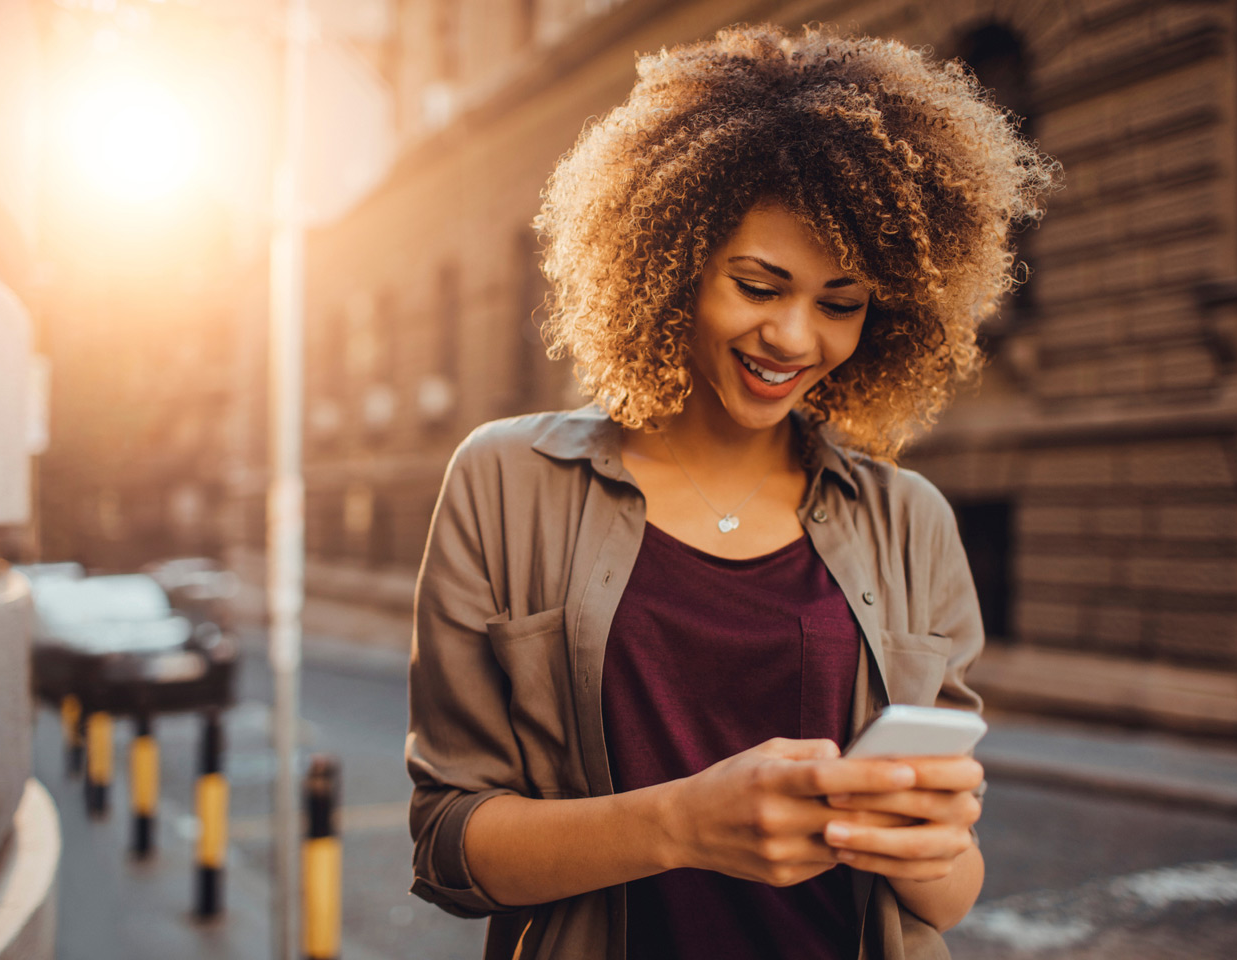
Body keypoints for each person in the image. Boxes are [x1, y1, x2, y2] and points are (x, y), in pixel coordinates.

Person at [404, 24, 1057, 960]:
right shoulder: (507, 481)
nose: (795, 338)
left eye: (842, 303)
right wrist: (680, 825)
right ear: (672, 264)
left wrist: (923, 839)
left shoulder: (910, 521)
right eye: (759, 286)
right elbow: (447, 846)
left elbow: (948, 900)